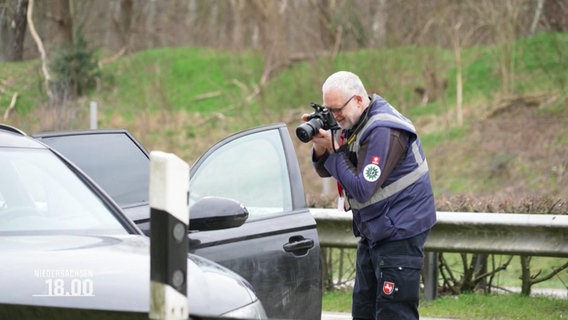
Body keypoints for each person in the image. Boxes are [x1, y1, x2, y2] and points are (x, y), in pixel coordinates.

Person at [304, 71, 437, 320]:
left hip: (400, 231)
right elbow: (326, 169)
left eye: (337, 110)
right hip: (375, 230)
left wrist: (334, 148)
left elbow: (363, 188)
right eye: (329, 111)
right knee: (363, 311)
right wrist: (321, 144)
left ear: (357, 99)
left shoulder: (384, 130)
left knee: (393, 313)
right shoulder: (355, 122)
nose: (334, 117)